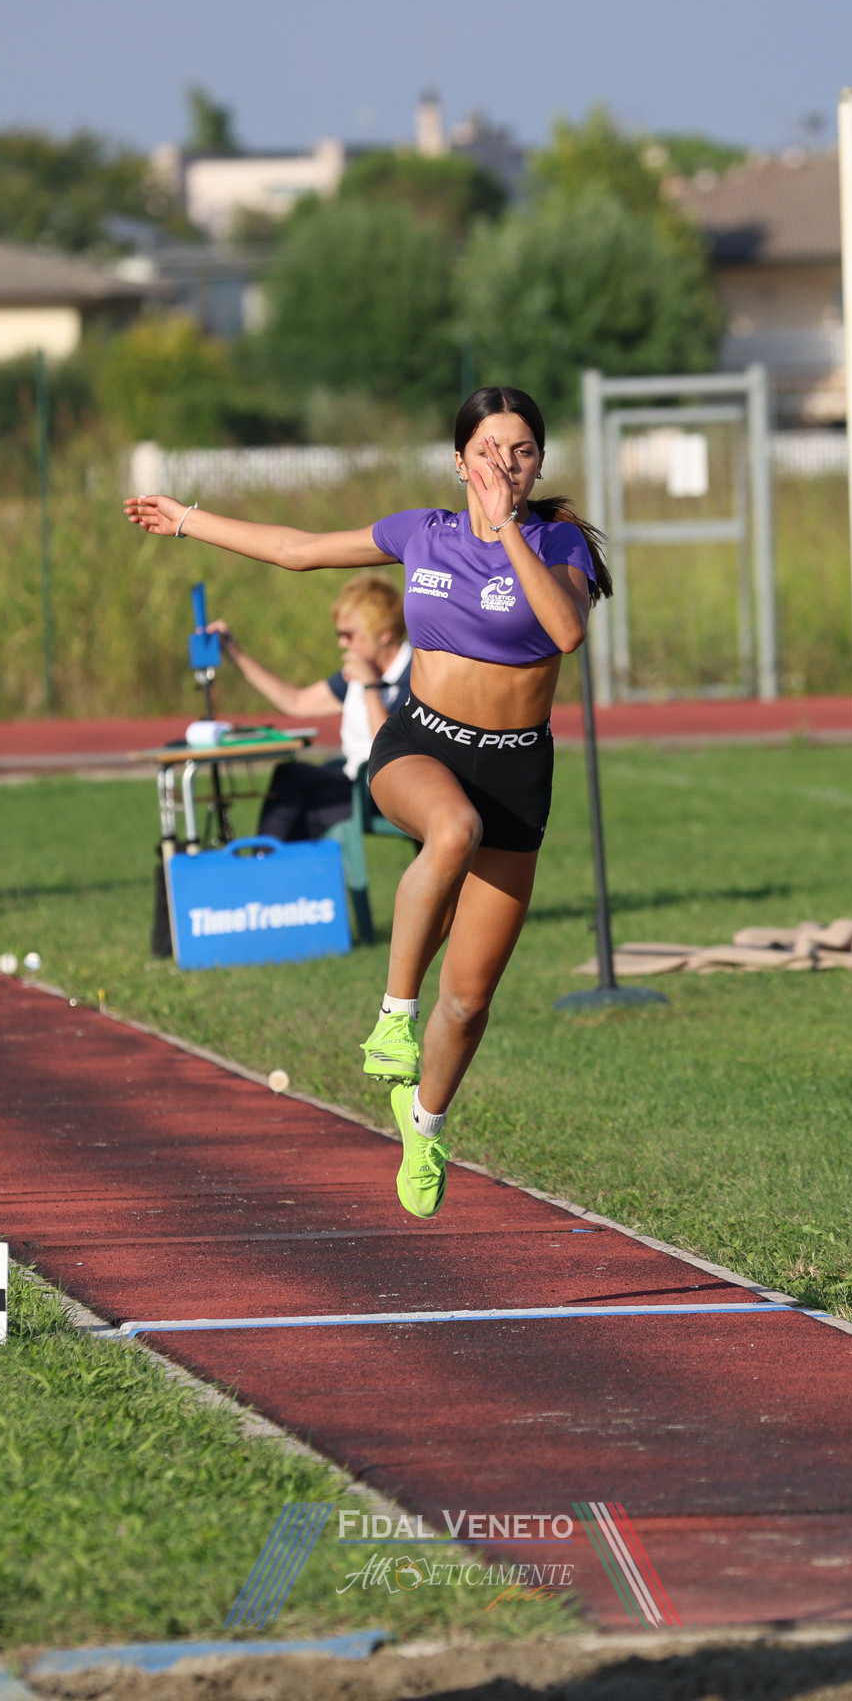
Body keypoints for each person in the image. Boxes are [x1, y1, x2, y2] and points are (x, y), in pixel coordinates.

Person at [124, 386, 606, 1217]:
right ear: (459, 462)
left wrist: (508, 532)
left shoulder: (558, 544)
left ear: (537, 465)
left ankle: (425, 1125)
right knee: (450, 829)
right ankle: (392, 1015)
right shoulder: (423, 533)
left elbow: (565, 630)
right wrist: (189, 520)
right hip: (422, 744)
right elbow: (296, 548)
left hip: (517, 771)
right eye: (488, 450)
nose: (504, 464)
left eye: (521, 451)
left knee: (471, 998)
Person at [210, 573, 412, 842]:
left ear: (384, 634)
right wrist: (235, 653)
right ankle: (265, 858)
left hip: (394, 791)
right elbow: (296, 702)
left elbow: (390, 751)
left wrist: (370, 688)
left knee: (306, 811)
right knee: (289, 776)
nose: (342, 643)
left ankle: (265, 861)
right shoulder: (362, 670)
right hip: (354, 779)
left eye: (349, 635)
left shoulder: (416, 675)